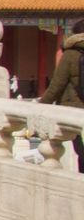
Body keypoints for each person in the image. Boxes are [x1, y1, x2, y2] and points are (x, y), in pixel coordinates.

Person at [37, 19, 84, 171]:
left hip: (74, 109)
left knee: (81, 150)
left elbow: (57, 85)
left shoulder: (70, 54)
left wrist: (41, 106)